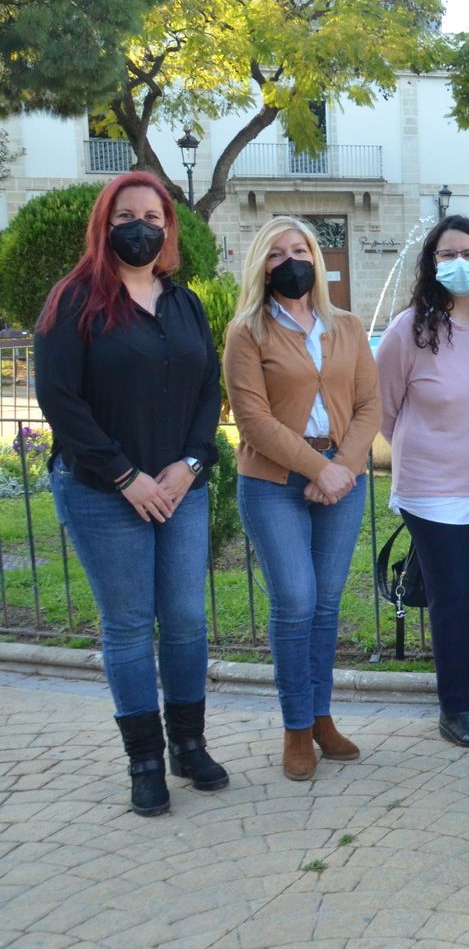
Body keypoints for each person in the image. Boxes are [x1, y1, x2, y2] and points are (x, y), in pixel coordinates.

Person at [34, 172, 225, 816]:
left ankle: (189, 745)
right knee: (128, 625)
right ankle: (144, 760)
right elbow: (60, 399)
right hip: (102, 490)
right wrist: (125, 476)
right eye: (125, 217)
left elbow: (208, 389)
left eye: (152, 216)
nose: (140, 227)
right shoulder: (75, 300)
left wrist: (190, 465)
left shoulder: (184, 304)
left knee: (187, 619)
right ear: (104, 225)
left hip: (180, 488)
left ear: (168, 227)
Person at [224, 216, 380, 780]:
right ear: (261, 267)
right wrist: (320, 470)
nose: (289, 261)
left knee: (326, 603)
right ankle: (295, 727)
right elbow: (253, 420)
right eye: (275, 254)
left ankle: (321, 716)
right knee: (295, 601)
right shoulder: (247, 332)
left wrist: (341, 468)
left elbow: (370, 406)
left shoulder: (348, 326)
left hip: (342, 477)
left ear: (315, 257)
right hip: (273, 484)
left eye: (299, 250)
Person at [376, 215, 469, 749]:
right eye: (447, 254)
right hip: (433, 492)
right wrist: (431, 449)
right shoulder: (408, 331)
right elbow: (385, 409)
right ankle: (453, 707)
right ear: (431, 263)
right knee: (453, 597)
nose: (460, 263)